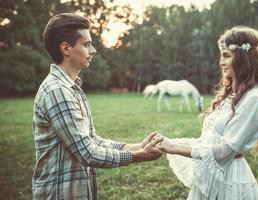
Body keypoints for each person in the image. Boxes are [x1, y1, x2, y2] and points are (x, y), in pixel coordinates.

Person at [32, 13, 163, 200]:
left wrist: (136, 147)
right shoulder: (57, 91)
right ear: (66, 49)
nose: (93, 50)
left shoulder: (71, 88)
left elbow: (92, 141)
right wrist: (139, 156)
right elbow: (87, 153)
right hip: (59, 194)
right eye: (86, 45)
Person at [156, 26, 258, 199]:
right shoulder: (233, 95)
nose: (221, 62)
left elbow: (224, 152)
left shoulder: (254, 98)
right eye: (221, 56)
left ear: (243, 58)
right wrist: (169, 142)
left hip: (228, 183)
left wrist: (174, 148)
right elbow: (207, 142)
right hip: (214, 177)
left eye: (227, 55)